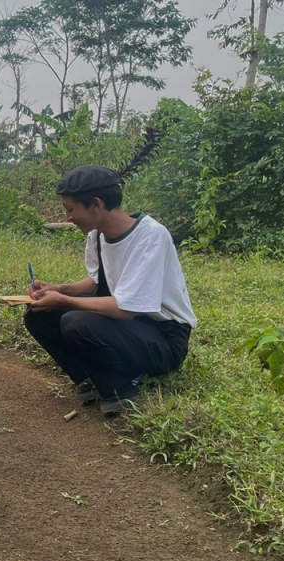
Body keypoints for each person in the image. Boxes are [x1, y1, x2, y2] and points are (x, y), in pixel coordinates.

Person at [23, 165, 196, 415]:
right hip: (127, 329)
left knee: (76, 322)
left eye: (70, 209)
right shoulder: (97, 236)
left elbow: (125, 309)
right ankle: (92, 377)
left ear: (96, 204)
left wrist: (64, 300)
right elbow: (98, 282)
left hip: (164, 338)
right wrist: (59, 289)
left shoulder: (150, 236)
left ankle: (122, 386)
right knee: (38, 316)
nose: (68, 217)